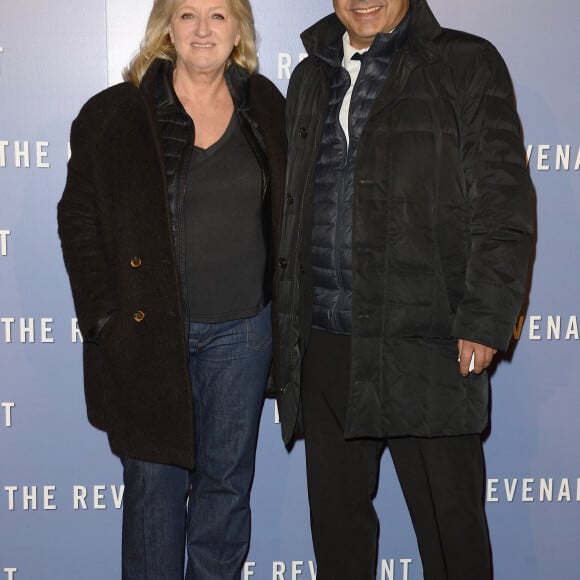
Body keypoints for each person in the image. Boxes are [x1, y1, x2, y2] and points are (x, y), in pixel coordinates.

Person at [275, 0, 534, 578]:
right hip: (329, 345)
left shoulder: (466, 63)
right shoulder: (310, 75)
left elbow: (503, 202)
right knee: (339, 540)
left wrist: (485, 318)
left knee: (453, 540)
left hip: (429, 345)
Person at [57, 0, 285, 578]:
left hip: (244, 335)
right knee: (153, 494)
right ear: (167, 28)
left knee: (226, 493)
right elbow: (79, 220)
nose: (203, 29)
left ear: (239, 29)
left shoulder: (268, 106)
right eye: (188, 15)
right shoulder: (115, 114)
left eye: (218, 15)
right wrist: (103, 320)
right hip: (147, 337)